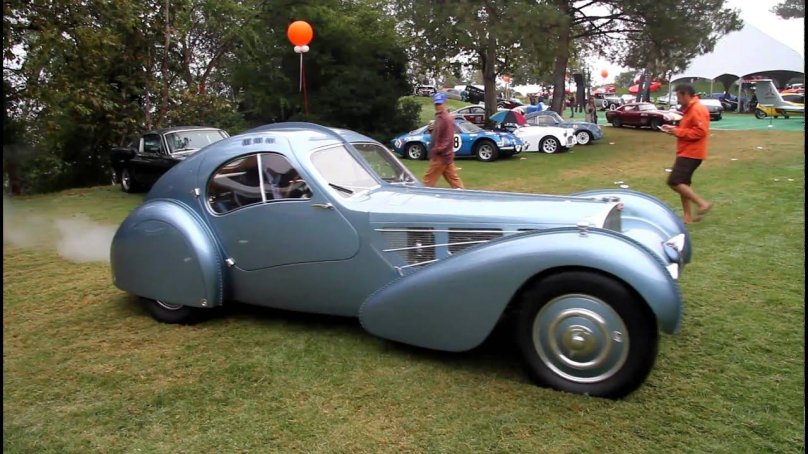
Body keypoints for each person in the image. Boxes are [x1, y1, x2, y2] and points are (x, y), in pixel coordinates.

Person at [660, 83, 713, 224]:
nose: (678, 100)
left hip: (692, 153)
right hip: (686, 151)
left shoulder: (697, 109)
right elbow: (688, 129)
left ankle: (702, 203)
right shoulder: (690, 109)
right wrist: (673, 129)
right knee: (683, 184)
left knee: (674, 181)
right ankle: (688, 217)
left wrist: (677, 131)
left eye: (678, 96)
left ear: (685, 94)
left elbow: (700, 132)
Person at [423, 92, 464, 189]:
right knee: (455, 182)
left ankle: (422, 199)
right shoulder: (439, 117)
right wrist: (431, 131)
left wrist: (436, 150)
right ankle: (463, 197)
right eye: (436, 104)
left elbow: (448, 138)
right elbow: (438, 135)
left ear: (445, 103)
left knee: (427, 181)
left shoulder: (446, 119)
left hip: (441, 157)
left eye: (440, 104)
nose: (438, 106)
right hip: (446, 156)